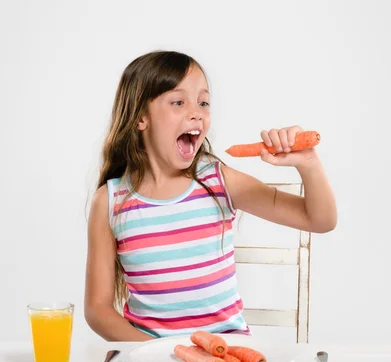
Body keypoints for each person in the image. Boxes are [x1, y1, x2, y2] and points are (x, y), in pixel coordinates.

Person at [84, 50, 337, 341]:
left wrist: (309, 164)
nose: (197, 113)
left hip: (228, 354)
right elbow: (97, 309)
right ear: (141, 117)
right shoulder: (110, 201)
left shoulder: (218, 180)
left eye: (203, 102)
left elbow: (320, 220)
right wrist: (158, 353)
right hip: (151, 361)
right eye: (178, 102)